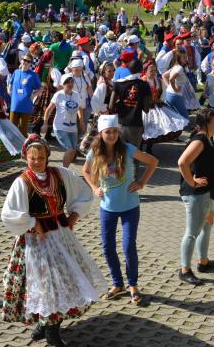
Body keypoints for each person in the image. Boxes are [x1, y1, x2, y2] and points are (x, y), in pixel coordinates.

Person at [1, 134, 106, 347]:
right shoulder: (22, 182)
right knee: (41, 283)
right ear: (26, 157)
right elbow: (9, 213)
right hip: (35, 242)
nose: (37, 161)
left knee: (63, 280)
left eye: (41, 157)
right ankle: (44, 324)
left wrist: (75, 215)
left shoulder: (60, 174)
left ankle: (52, 329)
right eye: (33, 158)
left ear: (48, 156)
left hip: (60, 235)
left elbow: (85, 190)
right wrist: (33, 222)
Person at [82, 114, 158, 305]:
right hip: (107, 207)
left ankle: (133, 285)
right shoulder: (95, 152)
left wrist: (141, 183)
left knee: (128, 247)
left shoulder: (128, 149)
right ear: (101, 133)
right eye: (108, 132)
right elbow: (85, 170)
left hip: (130, 206)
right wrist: (94, 188)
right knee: (108, 248)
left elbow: (153, 162)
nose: (113, 135)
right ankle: (117, 284)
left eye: (115, 131)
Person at [177, 108, 214, 285]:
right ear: (205, 124)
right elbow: (182, 162)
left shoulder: (209, 139)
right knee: (192, 232)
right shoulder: (200, 140)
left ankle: (203, 262)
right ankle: (184, 269)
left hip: (207, 193)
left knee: (207, 225)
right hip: (196, 194)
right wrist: (193, 181)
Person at [141, 61, 188, 155]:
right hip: (144, 108)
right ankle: (139, 148)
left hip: (156, 107)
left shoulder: (159, 81)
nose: (153, 72)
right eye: (151, 71)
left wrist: (160, 100)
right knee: (143, 128)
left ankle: (149, 148)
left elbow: (163, 94)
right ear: (145, 71)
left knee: (156, 127)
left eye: (155, 70)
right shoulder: (142, 81)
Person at [42, 74, 84, 168]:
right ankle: (64, 171)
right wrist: (45, 123)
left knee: (73, 150)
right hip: (60, 126)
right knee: (70, 149)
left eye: (72, 81)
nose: (70, 84)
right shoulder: (58, 95)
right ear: (63, 83)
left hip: (72, 127)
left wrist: (81, 121)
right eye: (67, 82)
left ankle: (66, 170)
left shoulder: (76, 95)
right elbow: (48, 110)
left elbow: (80, 108)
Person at [108, 59, 151, 152]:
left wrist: (121, 104)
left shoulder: (118, 83)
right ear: (141, 70)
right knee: (134, 153)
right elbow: (146, 109)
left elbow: (111, 106)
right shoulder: (144, 85)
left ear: (129, 69)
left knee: (119, 152)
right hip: (136, 124)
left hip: (120, 123)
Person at [8, 53, 41, 136]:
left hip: (26, 106)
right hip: (14, 105)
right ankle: (12, 148)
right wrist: (9, 90)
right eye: (24, 60)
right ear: (21, 60)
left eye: (28, 61)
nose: (25, 62)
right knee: (12, 129)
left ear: (30, 64)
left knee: (22, 131)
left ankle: (22, 148)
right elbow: (10, 82)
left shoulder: (33, 75)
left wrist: (33, 95)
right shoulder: (16, 72)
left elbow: (40, 88)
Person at [163, 50, 190, 119]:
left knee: (175, 117)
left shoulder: (175, 67)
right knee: (185, 118)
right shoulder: (180, 68)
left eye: (186, 57)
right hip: (175, 95)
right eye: (183, 57)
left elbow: (164, 75)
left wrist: (168, 86)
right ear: (179, 58)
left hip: (169, 94)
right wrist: (174, 88)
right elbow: (171, 79)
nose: (185, 59)